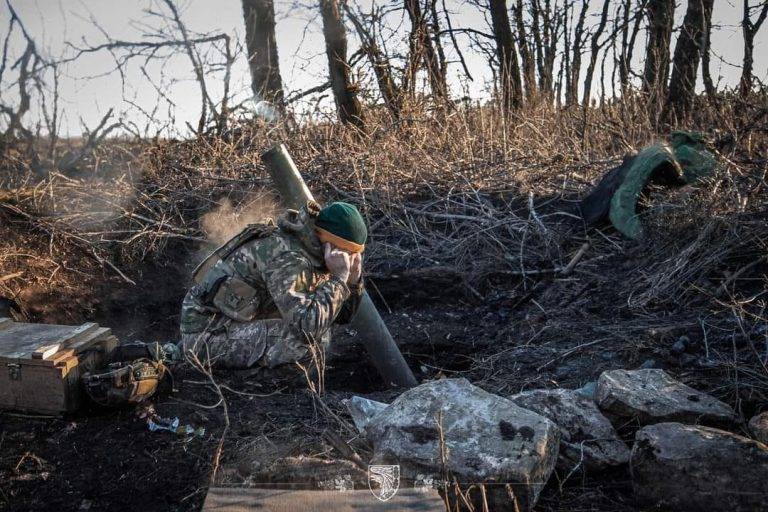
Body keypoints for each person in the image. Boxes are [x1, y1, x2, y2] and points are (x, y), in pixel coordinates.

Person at [179, 200, 366, 372]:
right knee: (307, 344)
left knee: (322, 322)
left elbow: (338, 317)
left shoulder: (314, 252)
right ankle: (253, 388)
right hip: (204, 337)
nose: (349, 260)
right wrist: (339, 279)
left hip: (234, 325)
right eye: (347, 253)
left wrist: (353, 282)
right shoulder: (289, 257)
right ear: (329, 243)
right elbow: (306, 330)